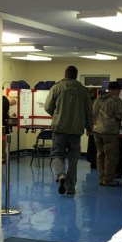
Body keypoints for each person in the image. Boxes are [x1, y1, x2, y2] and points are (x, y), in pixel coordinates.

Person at [44, 65, 93, 196]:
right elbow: (89, 112)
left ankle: (60, 175)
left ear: (65, 74)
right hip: (76, 131)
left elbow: (48, 107)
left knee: (57, 154)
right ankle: (71, 187)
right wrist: (89, 128)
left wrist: (57, 115)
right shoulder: (83, 90)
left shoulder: (57, 87)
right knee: (73, 158)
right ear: (76, 75)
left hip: (59, 128)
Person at [92, 81, 122, 186]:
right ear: (116, 90)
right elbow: (120, 115)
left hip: (96, 131)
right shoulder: (115, 100)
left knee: (100, 155)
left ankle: (101, 178)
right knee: (110, 157)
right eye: (119, 91)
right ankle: (108, 180)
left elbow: (92, 114)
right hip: (109, 132)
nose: (119, 93)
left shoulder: (98, 99)